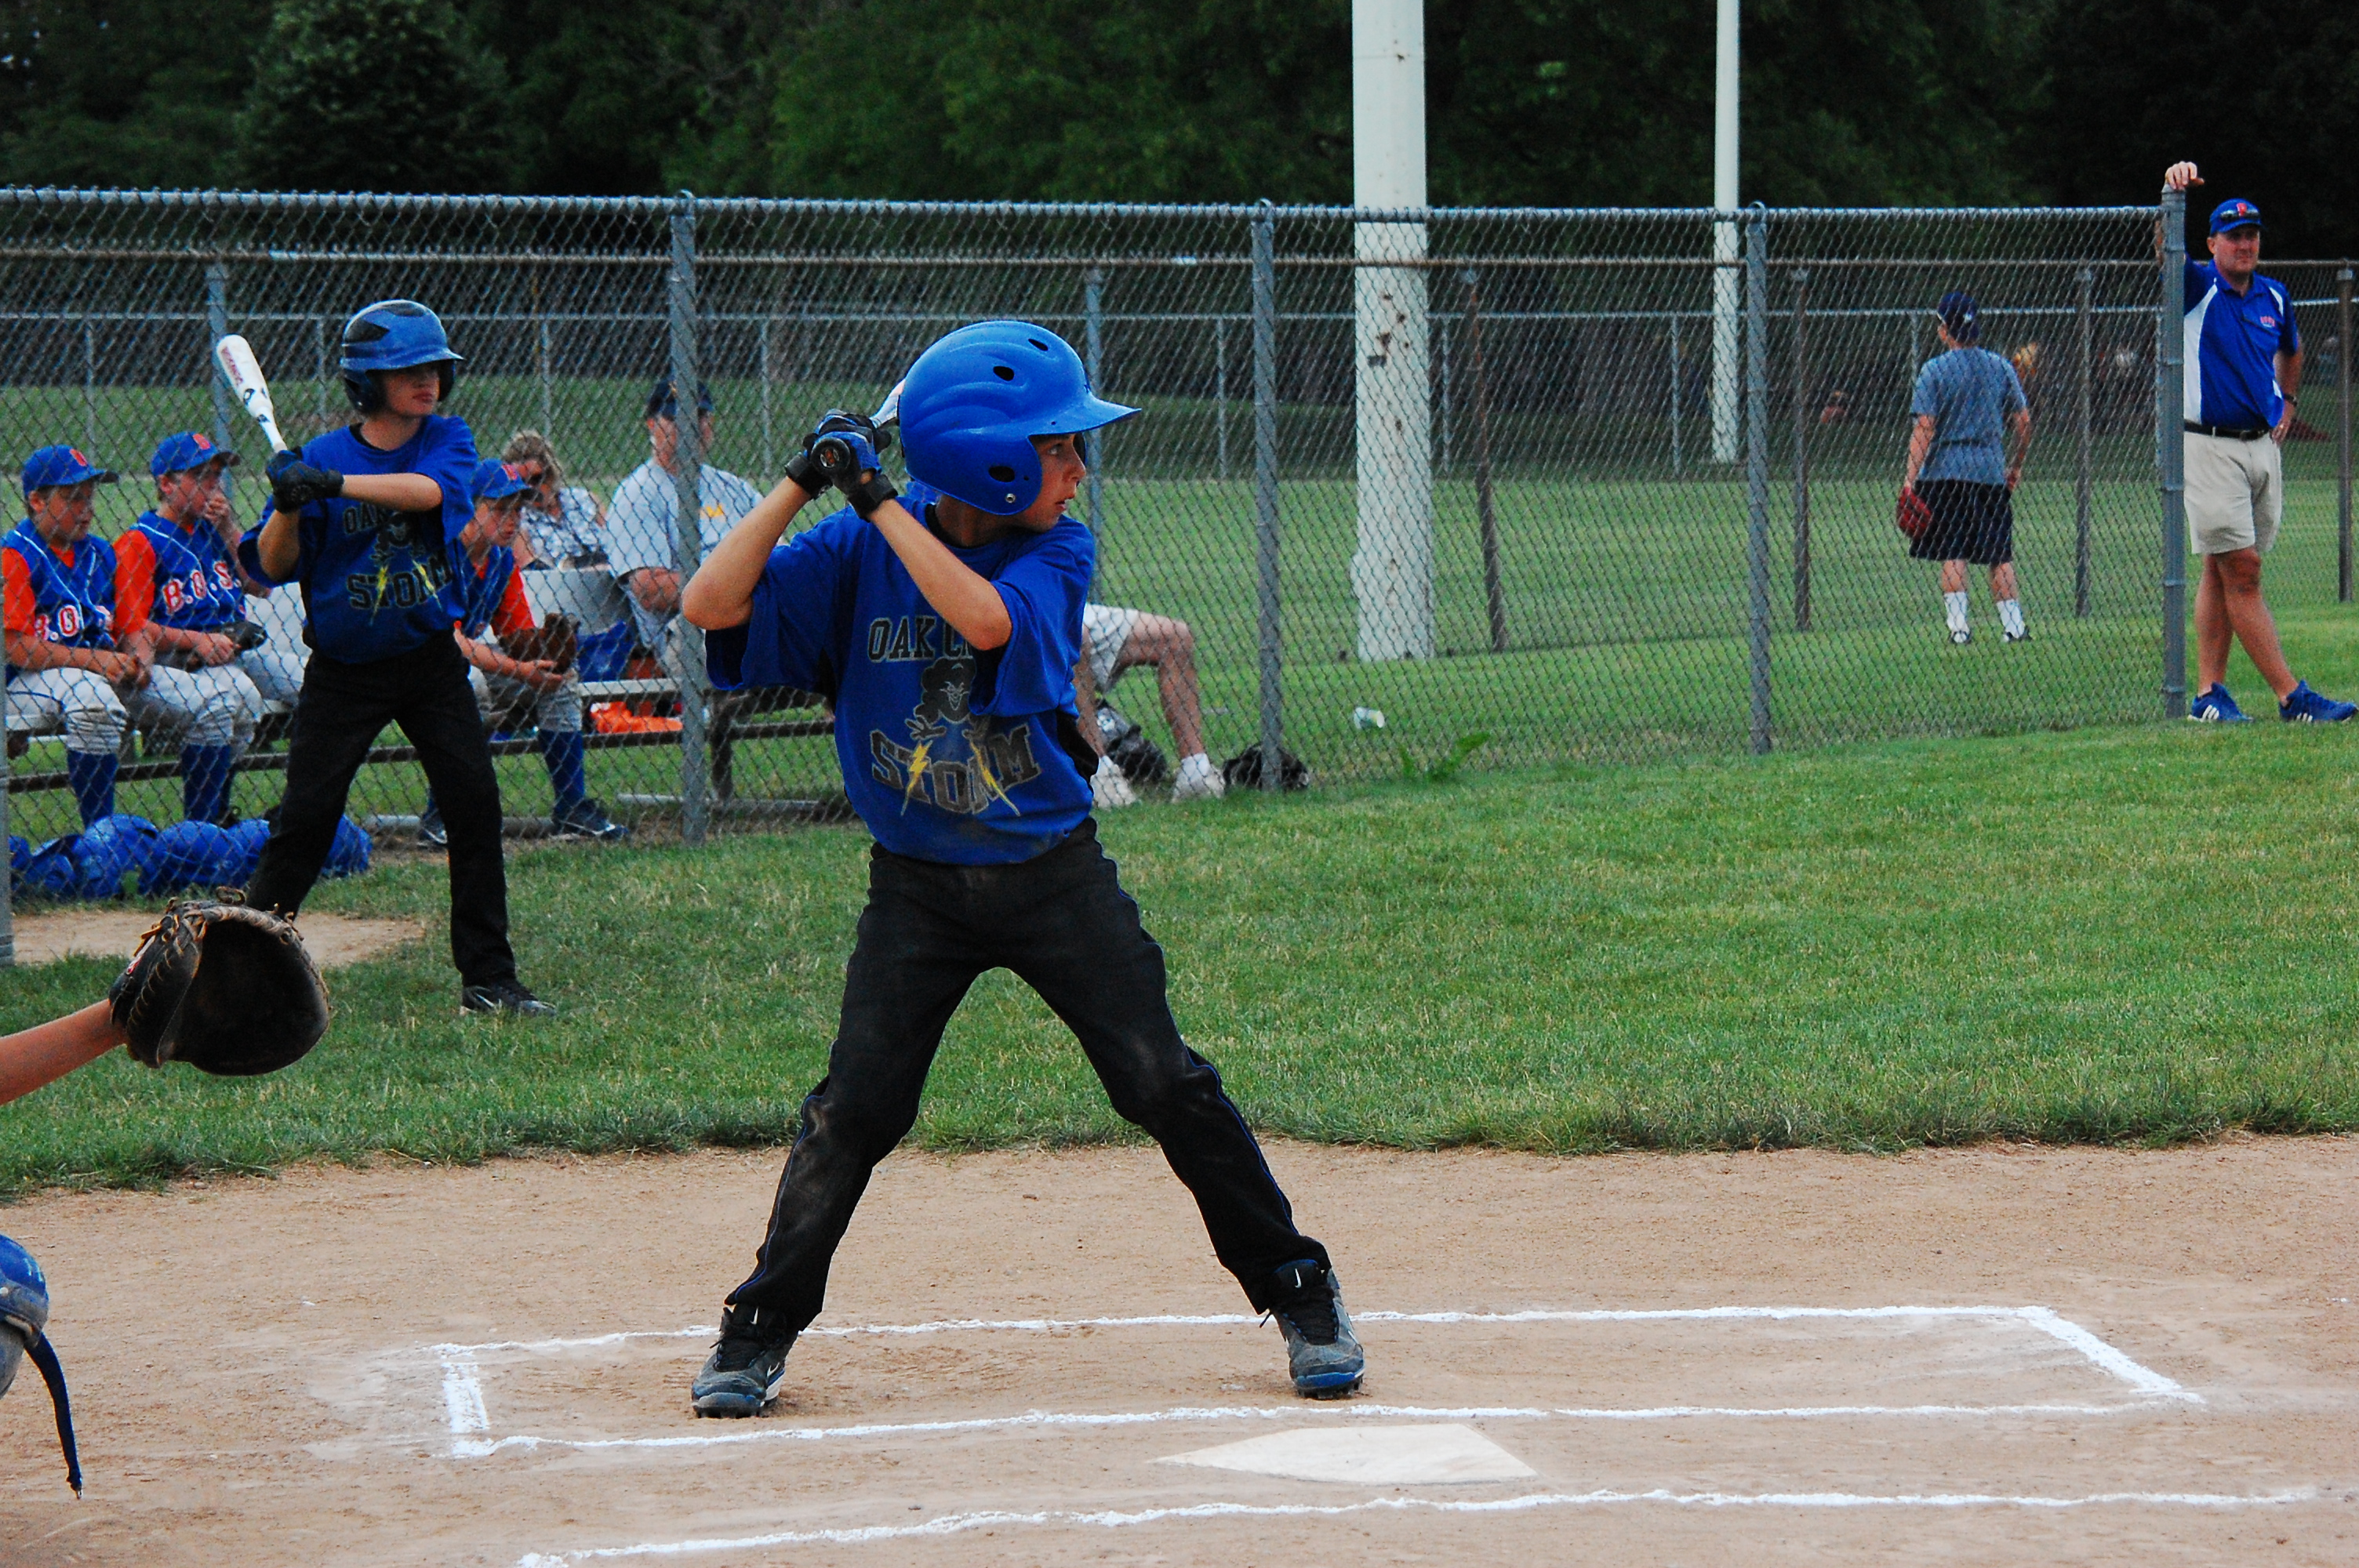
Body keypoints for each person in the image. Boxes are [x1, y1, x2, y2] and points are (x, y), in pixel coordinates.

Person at [677, 320, 1363, 1417]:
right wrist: (806, 479)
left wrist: (876, 498)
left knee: (1163, 1082)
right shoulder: (854, 548)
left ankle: (1300, 1289)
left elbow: (988, 620)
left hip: (1050, 874)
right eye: (1056, 447)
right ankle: (757, 1327)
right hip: (916, 887)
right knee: (855, 1109)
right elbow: (708, 606)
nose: (1077, 466)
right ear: (989, 461)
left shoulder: (1055, 550)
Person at [238, 299, 555, 1018]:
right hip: (343, 672)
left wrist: (329, 485)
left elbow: (431, 492)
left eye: (434, 368)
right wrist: (288, 501)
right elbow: (273, 563)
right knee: (305, 820)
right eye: (407, 370)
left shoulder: (446, 438)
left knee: (473, 805)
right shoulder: (320, 457)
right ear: (367, 383)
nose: (427, 381)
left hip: (428, 660)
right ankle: (242, 969)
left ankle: (489, 979)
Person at [2161, 165, 2354, 722]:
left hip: (2261, 447)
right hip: (2209, 445)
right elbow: (2164, 253)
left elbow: (2292, 350)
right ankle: (2293, 698)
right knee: (2242, 569)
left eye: (2252, 235)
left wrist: (2288, 403)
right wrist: (2172, 195)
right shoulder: (2198, 286)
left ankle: (2208, 695)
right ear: (2212, 244)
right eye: (2233, 236)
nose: (2245, 244)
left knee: (2221, 568)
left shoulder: (2274, 294)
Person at [420, 459, 627, 845]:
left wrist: (546, 652)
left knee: (560, 683)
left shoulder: (501, 559)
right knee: (469, 681)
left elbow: (515, 636)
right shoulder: (439, 552)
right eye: (500, 509)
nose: (513, 519)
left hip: (460, 663)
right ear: (467, 508)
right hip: (411, 664)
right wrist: (521, 669)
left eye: (517, 509)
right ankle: (441, 815)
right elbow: (451, 642)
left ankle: (571, 809)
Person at [113, 432, 271, 823]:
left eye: (216, 475)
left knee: (279, 690)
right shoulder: (140, 541)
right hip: (170, 659)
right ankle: (203, 822)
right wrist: (198, 640)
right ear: (166, 484)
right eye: (200, 476)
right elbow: (133, 626)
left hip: (225, 651)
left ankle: (216, 813)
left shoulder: (212, 532)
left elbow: (260, 584)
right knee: (230, 699)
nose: (213, 485)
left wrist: (229, 528)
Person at [4, 446, 140, 824]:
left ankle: (210, 827)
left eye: (89, 498)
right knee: (94, 701)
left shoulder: (100, 553)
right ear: (36, 501)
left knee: (225, 698)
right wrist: (98, 661)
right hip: (22, 682)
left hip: (99, 672)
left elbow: (129, 627)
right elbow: (18, 650)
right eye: (73, 498)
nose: (87, 509)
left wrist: (139, 659)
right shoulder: (17, 554)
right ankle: (100, 833)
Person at [605, 379, 763, 677]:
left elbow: (780, 549)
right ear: (652, 425)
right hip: (688, 628)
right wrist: (732, 587)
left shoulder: (733, 487)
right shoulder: (637, 494)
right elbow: (651, 590)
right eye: (676, 418)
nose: (690, 425)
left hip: (752, 609)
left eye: (699, 416)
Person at [1902, 292, 2034, 646]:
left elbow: (1925, 426)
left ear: (1945, 331)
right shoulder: (2000, 367)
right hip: (1990, 473)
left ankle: (1959, 629)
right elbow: (2023, 422)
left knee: (1953, 551)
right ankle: (2014, 628)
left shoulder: (1934, 370)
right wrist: (2015, 465)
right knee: (1999, 553)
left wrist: (1910, 480)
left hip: (1944, 474)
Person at [1071, 604, 1225, 802]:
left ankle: (1196, 773)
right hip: (1035, 610)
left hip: (1072, 606)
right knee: (1073, 635)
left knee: (1176, 636)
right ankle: (1097, 773)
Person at [501, 430, 607, 568]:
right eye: (522, 482)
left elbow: (617, 542)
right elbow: (531, 569)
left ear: (552, 473)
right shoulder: (518, 520)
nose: (530, 488)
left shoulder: (584, 499)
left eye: (537, 479)